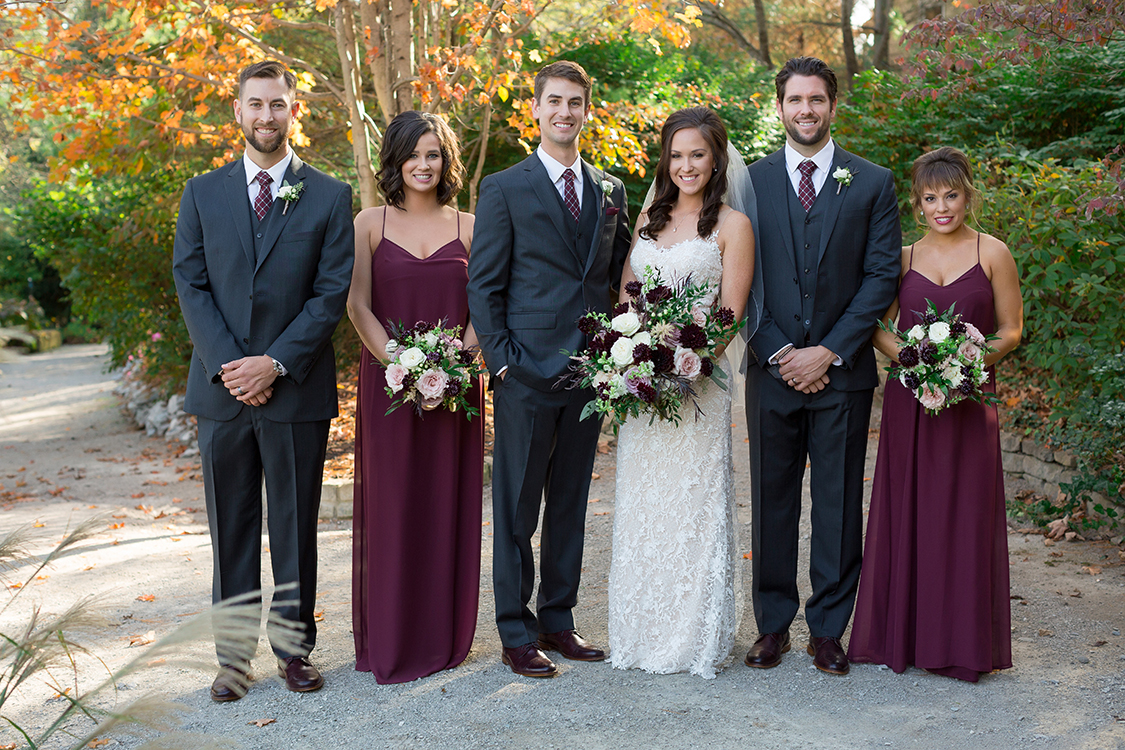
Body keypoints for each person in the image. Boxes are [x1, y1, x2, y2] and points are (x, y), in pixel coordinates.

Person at [172, 60, 354, 701]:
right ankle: (231, 660)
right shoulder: (202, 193)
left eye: (277, 104)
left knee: (296, 523)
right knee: (232, 526)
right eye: (255, 104)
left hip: (295, 389)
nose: (266, 116)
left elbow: (331, 294)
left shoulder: (329, 196)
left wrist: (273, 363)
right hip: (221, 394)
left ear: (293, 110)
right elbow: (190, 282)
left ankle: (295, 651)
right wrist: (233, 365)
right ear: (238, 111)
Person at [467, 60, 632, 678]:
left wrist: (617, 354)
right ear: (534, 110)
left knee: (569, 503)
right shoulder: (505, 188)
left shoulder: (611, 190)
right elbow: (483, 285)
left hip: (589, 375)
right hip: (525, 374)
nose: (565, 112)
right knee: (516, 509)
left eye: (576, 103)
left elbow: (616, 278)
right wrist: (503, 363)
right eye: (554, 101)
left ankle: (558, 620)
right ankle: (515, 630)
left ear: (587, 110)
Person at [742, 56, 901, 676]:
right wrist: (780, 351)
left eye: (817, 100)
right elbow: (740, 279)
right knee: (771, 498)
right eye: (794, 100)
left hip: (844, 372)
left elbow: (880, 275)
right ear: (778, 107)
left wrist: (829, 350)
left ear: (833, 105)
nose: (805, 110)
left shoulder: (871, 182)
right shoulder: (749, 183)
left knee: (837, 502)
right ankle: (773, 626)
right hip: (772, 369)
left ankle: (829, 629)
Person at [848, 147, 1022, 682]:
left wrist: (966, 363)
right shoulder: (901, 257)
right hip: (912, 404)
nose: (941, 206)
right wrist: (911, 358)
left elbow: (1011, 330)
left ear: (968, 194)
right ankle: (901, 637)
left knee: (966, 514)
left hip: (970, 403)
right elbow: (874, 323)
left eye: (951, 195)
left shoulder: (993, 252)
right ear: (917, 203)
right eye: (930, 198)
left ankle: (962, 645)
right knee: (910, 511)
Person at [608, 107, 754, 678]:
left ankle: (693, 636)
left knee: (692, 507)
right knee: (644, 506)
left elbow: (729, 315)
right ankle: (640, 632)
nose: (686, 165)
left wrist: (681, 365)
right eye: (676, 155)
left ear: (715, 158)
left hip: (697, 389)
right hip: (642, 392)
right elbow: (626, 297)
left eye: (697, 154)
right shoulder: (648, 218)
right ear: (665, 161)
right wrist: (634, 356)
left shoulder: (732, 226)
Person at [346, 111, 483, 684]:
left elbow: (486, 309)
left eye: (434, 154)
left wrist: (452, 367)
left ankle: (444, 638)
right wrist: (403, 367)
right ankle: (395, 639)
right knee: (395, 508)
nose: (424, 166)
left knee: (445, 506)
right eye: (413, 155)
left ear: (446, 160)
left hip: (456, 391)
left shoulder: (471, 226)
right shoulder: (369, 223)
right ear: (395, 160)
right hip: (390, 391)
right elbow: (357, 305)